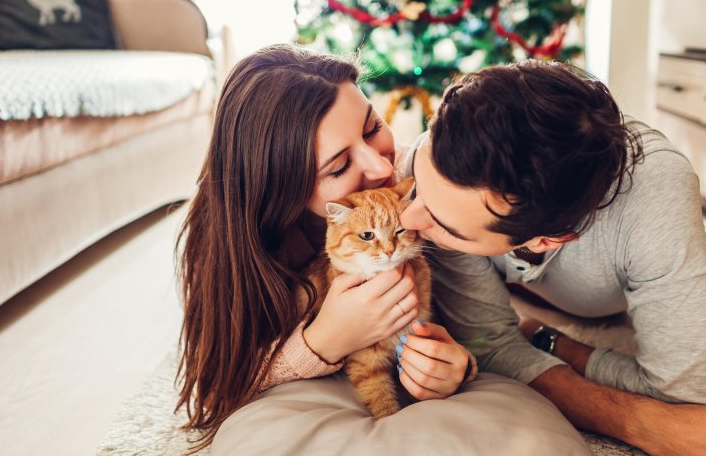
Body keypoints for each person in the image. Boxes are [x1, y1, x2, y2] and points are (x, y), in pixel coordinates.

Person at [174, 44, 593, 455]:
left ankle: (543, 331)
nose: (380, 167)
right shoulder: (231, 244)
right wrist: (325, 339)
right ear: (279, 187)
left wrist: (457, 362)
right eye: (338, 167)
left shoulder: (414, 184)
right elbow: (219, 383)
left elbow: (472, 322)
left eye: (373, 127)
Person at [397, 59, 706, 455]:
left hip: (602, 288)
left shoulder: (654, 198)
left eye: (445, 226)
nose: (406, 218)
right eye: (417, 191)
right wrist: (640, 423)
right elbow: (490, 345)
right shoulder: (435, 165)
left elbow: (692, 397)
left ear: (549, 240)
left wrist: (555, 343)